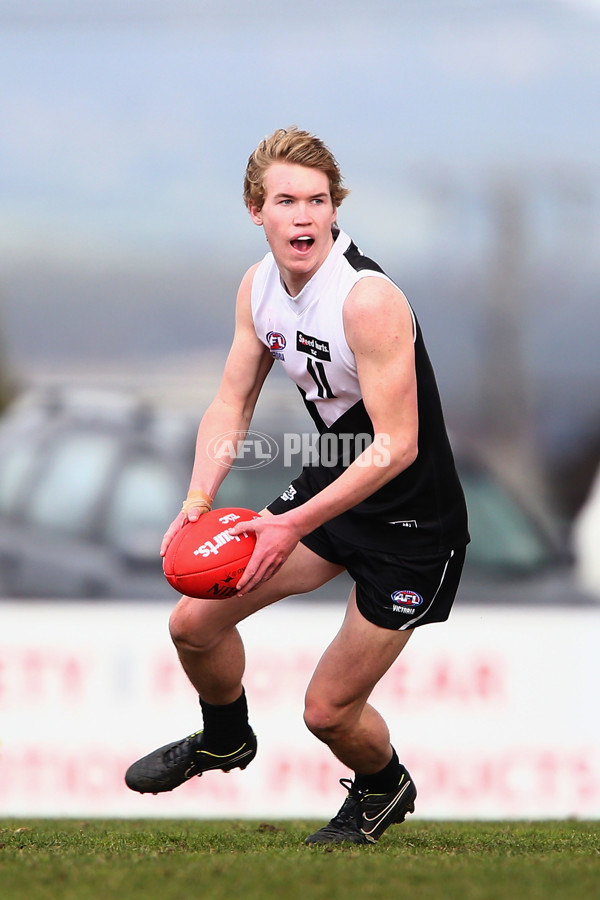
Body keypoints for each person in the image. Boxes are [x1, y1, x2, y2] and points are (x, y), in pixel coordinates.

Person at [125, 127, 469, 845]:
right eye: (287, 200)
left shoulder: (367, 299)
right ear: (257, 209)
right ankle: (225, 738)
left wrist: (288, 521)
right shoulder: (259, 288)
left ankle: (384, 785)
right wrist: (196, 501)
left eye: (319, 200)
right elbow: (231, 402)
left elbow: (397, 446)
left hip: (414, 526)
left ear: (335, 209)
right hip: (333, 489)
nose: (305, 216)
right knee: (192, 623)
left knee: (328, 712)